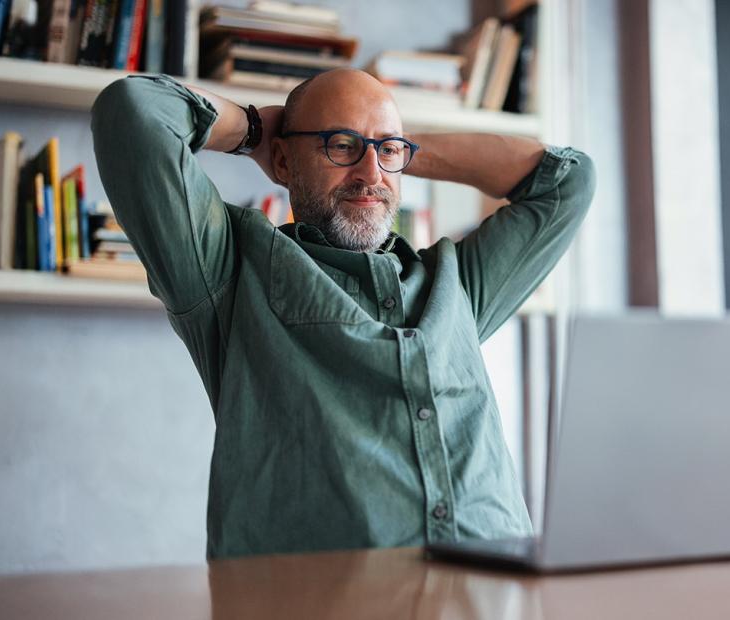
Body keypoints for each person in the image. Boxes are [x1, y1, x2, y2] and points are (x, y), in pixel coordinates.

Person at [90, 68, 595, 559]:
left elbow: (567, 182)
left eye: (387, 151)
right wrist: (256, 131)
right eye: (341, 145)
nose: (370, 175)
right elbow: (135, 112)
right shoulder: (229, 273)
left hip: (500, 594)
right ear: (284, 163)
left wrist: (395, 150)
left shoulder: (456, 282)